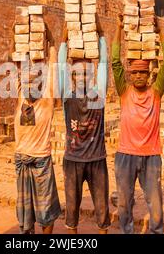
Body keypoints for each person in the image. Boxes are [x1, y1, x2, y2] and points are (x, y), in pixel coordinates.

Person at [111, 14, 164, 234]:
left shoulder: (156, 93)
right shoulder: (124, 91)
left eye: (142, 72)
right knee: (125, 204)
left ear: (149, 75)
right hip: (125, 155)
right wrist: (119, 28)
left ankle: (157, 231)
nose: (138, 76)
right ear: (129, 74)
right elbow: (115, 62)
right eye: (134, 72)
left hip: (151, 156)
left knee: (155, 205)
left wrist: (160, 31)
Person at [58, 19, 110, 234]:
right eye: (77, 74)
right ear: (71, 78)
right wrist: (63, 39)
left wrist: (99, 32)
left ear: (92, 76)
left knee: (102, 211)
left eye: (86, 73)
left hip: (97, 160)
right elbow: (61, 66)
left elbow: (104, 63)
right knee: (71, 211)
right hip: (73, 161)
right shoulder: (67, 97)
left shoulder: (99, 95)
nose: (81, 77)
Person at [9, 25, 61, 234]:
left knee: (46, 210)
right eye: (27, 83)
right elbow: (15, 63)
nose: (30, 87)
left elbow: (54, 63)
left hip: (41, 159)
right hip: (21, 159)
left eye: (34, 83)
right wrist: (17, 36)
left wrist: (48, 35)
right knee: (25, 211)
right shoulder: (21, 94)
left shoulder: (47, 97)